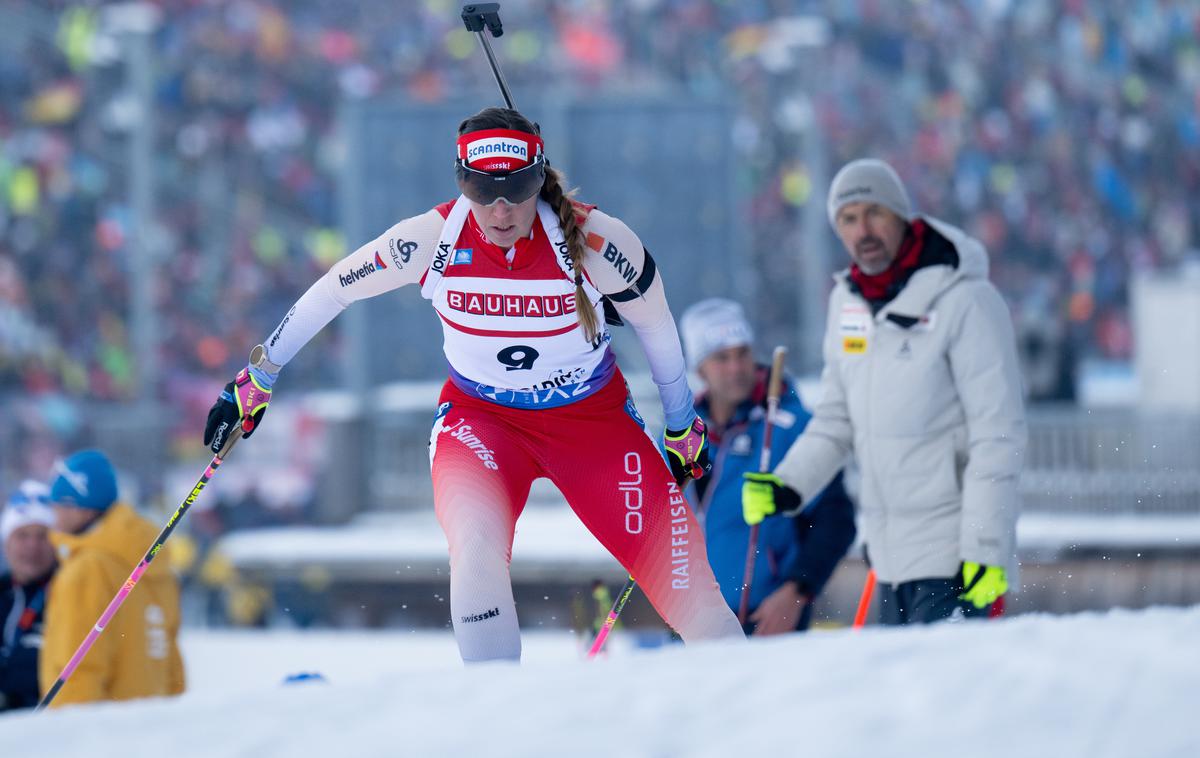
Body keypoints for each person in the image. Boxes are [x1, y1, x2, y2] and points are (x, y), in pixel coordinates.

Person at [203, 107, 744, 662]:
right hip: (482, 421)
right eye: (482, 189)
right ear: (462, 183)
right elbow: (334, 289)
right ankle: (496, 714)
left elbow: (655, 319)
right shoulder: (433, 238)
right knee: (476, 548)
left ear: (540, 178)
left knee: (692, 593)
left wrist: (681, 423)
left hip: (591, 426)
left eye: (515, 187)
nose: (501, 208)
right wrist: (259, 375)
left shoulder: (596, 241)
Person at [742, 159, 1026, 625]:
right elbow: (837, 418)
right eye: (848, 219)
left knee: (955, 697)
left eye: (875, 213)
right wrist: (788, 485)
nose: (863, 229)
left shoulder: (966, 301)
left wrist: (987, 546)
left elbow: (998, 435)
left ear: (902, 216)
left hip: (959, 561)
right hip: (890, 562)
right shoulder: (846, 303)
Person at [680, 299, 857, 634]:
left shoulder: (792, 427)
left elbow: (836, 519)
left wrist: (797, 591)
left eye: (742, 353)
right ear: (699, 368)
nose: (736, 367)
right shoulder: (681, 433)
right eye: (721, 357)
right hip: (694, 621)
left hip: (767, 619)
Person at [40, 450, 186, 706]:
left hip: (101, 734)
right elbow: (170, 658)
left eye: (60, 505)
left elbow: (79, 665)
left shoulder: (88, 568)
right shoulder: (152, 560)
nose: (54, 514)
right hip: (155, 728)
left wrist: (67, 732)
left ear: (82, 509)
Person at [0, 482, 57, 711]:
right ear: (6, 543)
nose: (32, 546)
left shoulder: (68, 591)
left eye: (42, 536)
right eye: (22, 536)